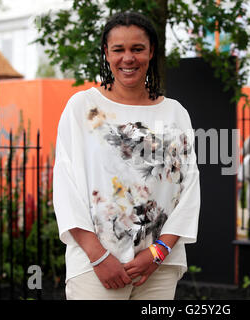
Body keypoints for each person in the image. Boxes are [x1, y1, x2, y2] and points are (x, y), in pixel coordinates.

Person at [52, 11, 200, 300]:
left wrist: (157, 253)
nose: (128, 58)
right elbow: (65, 186)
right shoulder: (82, 107)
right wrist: (98, 257)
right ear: (106, 53)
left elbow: (189, 189)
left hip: (158, 265)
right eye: (118, 49)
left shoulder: (175, 113)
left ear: (151, 52)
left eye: (137, 49)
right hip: (94, 265)